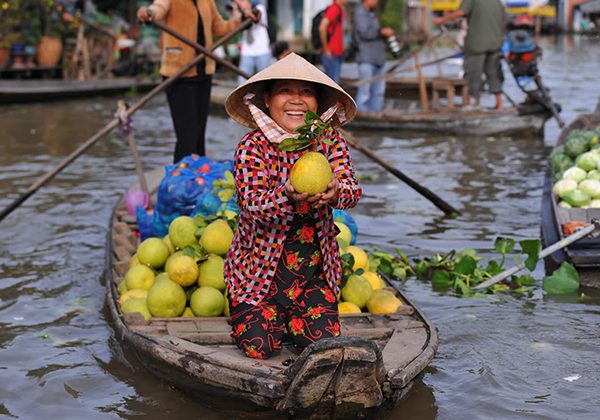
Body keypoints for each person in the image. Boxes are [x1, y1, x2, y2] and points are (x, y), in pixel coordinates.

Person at [223, 53, 362, 359]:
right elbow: (252, 205)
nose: (296, 100)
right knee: (260, 348)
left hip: (313, 276)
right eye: (286, 90)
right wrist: (285, 194)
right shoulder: (252, 146)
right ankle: (253, 310)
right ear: (269, 99)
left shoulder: (330, 142)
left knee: (322, 345)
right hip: (258, 276)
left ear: (318, 103)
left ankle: (293, 316)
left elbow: (353, 190)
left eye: (307, 92)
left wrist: (337, 191)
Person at [136, 0, 259, 163]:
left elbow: (220, 28)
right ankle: (181, 177)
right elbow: (158, 8)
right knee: (187, 134)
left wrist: (243, 19)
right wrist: (148, 13)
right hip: (179, 73)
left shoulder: (206, 1)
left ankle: (198, 174)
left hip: (203, 72)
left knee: (199, 134)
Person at [432, 0, 506, 111]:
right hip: (495, 44)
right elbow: (504, 19)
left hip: (477, 43)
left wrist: (442, 19)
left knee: (472, 75)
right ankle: (499, 105)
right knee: (494, 74)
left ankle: (468, 105)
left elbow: (461, 12)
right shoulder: (497, 2)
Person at [353, 0, 394, 112]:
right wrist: (382, 32)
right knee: (365, 91)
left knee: (378, 91)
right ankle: (362, 116)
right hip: (366, 58)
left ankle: (375, 113)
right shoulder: (360, 12)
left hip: (378, 59)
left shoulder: (371, 13)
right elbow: (365, 33)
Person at [236, 1, 273, 85]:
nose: (239, 4)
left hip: (262, 50)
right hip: (247, 51)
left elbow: (256, 18)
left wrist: (245, 12)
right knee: (242, 82)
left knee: (267, 80)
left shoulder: (260, 8)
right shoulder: (239, 11)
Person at [319, 0, 349, 83]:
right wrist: (326, 49)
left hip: (337, 53)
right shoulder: (334, 9)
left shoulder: (340, 9)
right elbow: (322, 27)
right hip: (331, 54)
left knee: (335, 83)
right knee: (332, 84)